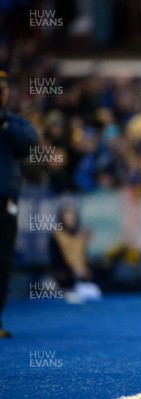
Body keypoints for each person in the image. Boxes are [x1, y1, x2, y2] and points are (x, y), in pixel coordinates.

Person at [0, 70, 38, 338]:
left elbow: (29, 145)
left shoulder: (14, 123)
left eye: (2, 88)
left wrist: (4, 124)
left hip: (5, 202)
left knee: (2, 261)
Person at [49, 203, 102, 304]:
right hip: (65, 273)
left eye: (72, 216)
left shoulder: (80, 235)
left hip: (81, 273)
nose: (70, 219)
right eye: (67, 217)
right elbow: (56, 261)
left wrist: (85, 268)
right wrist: (73, 270)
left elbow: (84, 257)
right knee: (61, 277)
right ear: (62, 218)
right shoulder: (56, 236)